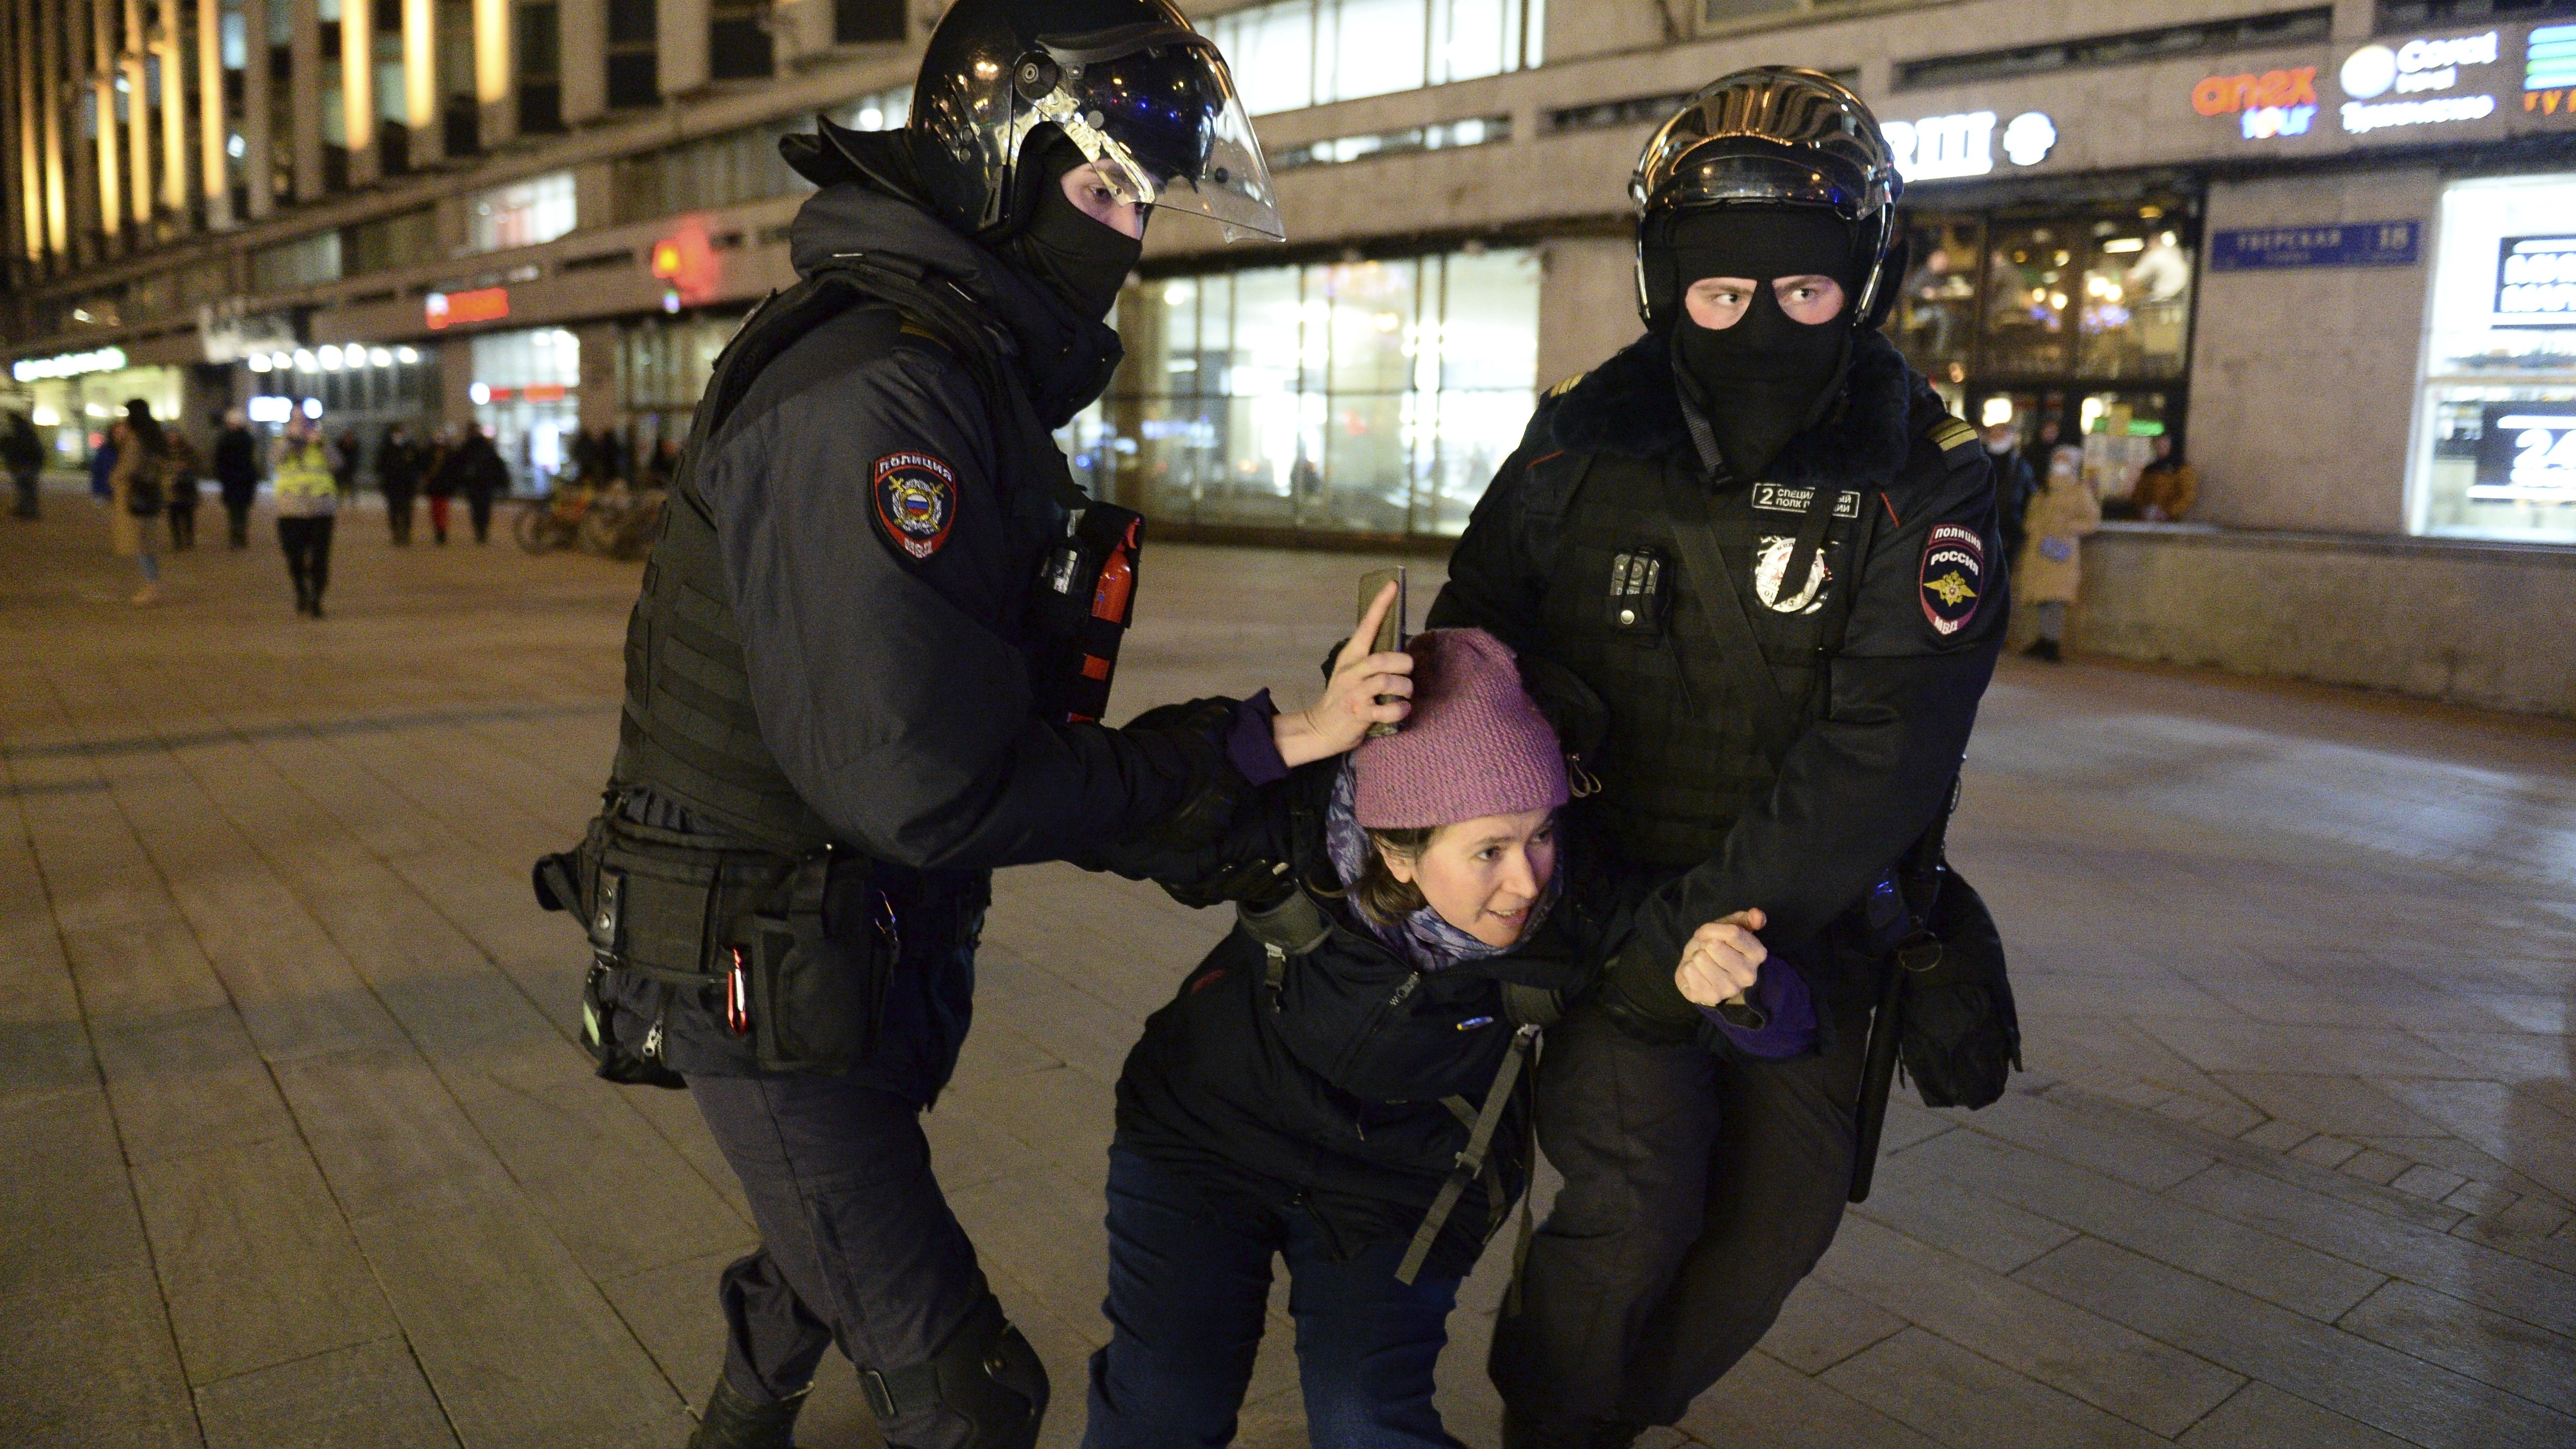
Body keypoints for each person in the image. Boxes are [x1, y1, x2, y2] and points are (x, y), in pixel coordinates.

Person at [537, 5, 1298, 1446]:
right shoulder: (882, 389)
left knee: (827, 1229)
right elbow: (921, 781)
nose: (1126, 234)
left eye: (1143, 201)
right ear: (997, 162)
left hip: (842, 932)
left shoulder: (954, 359)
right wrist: (1219, 760)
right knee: (966, 1387)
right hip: (762, 952)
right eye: (1100, 190)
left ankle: (739, 1418)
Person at [1423, 69, 2007, 1447]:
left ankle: (1593, 1414)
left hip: (1801, 932)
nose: (1759, 326)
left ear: (1866, 282)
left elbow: (1885, 745)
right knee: (1631, 1206)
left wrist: (1702, 931)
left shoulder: (1926, 471)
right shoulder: (1576, 438)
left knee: (1774, 1228)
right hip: (1603, 909)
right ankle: (1553, 1425)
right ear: (1659, 279)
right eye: (1719, 293)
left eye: (1804, 295)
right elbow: (1478, 647)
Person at [2017, 443, 2096, 663]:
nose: (2060, 464)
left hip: (2062, 551)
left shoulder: (2080, 491)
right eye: (2058, 459)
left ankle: (2052, 641)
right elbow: (2031, 514)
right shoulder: (2043, 489)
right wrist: (2032, 528)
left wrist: (2068, 527)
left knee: (2056, 598)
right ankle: (2044, 638)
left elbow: (2091, 520)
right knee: (2043, 596)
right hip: (2040, 549)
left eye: (2065, 460)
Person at [272, 417, 340, 617]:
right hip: (291, 511)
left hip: (321, 510)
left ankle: (317, 598)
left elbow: (337, 464)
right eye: (296, 425)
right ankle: (301, 590)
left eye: (306, 425)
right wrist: (289, 440)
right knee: (295, 557)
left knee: (320, 558)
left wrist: (321, 444)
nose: (302, 429)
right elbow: (275, 459)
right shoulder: (282, 444)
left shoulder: (322, 444)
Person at [108, 401, 170, 605]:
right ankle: (152, 585)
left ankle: (152, 586)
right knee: (147, 542)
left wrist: (114, 478)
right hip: (152, 493)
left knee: (141, 543)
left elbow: (129, 467)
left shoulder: (138, 439)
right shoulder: (156, 436)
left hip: (136, 494)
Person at [445, 423, 508, 544]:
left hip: (482, 483)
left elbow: (496, 464)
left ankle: (482, 531)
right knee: (478, 508)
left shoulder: (483, 446)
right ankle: (480, 532)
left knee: (483, 508)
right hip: (475, 484)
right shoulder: (471, 447)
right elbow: (458, 466)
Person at [1985, 418, 2035, 568]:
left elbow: (2029, 495)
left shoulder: (2020, 465)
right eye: (1994, 433)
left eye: (2002, 433)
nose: (1997, 437)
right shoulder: (1978, 462)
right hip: (1984, 523)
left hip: (2010, 524)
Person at [214, 409, 261, 547]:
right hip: (242, 480)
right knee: (240, 510)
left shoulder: (225, 439)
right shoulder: (248, 439)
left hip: (233, 480)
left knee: (236, 510)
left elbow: (219, 461)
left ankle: (237, 536)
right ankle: (239, 535)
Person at [2126, 433, 2196, 522]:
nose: (2160, 450)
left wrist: (2168, 512)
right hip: (2147, 519)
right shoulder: (2150, 470)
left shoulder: (2182, 470)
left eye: (2164, 446)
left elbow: (2187, 496)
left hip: (2170, 522)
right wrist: (2142, 510)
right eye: (2158, 446)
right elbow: (2139, 494)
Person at [376, 421, 422, 545]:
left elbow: (418, 464)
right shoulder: (387, 447)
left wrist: (416, 479)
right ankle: (396, 532)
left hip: (407, 485)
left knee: (407, 510)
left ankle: (406, 533)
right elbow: (380, 466)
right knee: (394, 510)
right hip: (392, 485)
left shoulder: (410, 447)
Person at [164, 427, 204, 550]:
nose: (172, 438)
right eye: (169, 436)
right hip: (170, 486)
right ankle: (177, 541)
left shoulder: (188, 450)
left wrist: (186, 467)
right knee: (173, 515)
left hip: (186, 486)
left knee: (188, 514)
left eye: (174, 435)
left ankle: (189, 538)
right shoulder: (163, 452)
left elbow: (198, 465)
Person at [422, 424, 461, 544]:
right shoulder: (430, 453)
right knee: (435, 510)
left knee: (443, 510)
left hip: (444, 487)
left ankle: (442, 531)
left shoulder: (450, 454)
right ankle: (438, 530)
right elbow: (424, 467)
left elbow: (454, 470)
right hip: (434, 487)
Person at [3, 411, 44, 520]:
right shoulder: (25, 432)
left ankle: (30, 510)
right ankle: (26, 508)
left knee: (26, 487)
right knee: (26, 487)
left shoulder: (20, 434)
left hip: (26, 464)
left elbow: (20, 449)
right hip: (29, 463)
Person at [331, 427, 363, 501]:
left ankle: (352, 500)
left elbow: (356, 457)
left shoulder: (355, 446)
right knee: (340, 486)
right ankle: (340, 499)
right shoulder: (340, 445)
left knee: (351, 486)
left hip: (350, 469)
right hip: (341, 470)